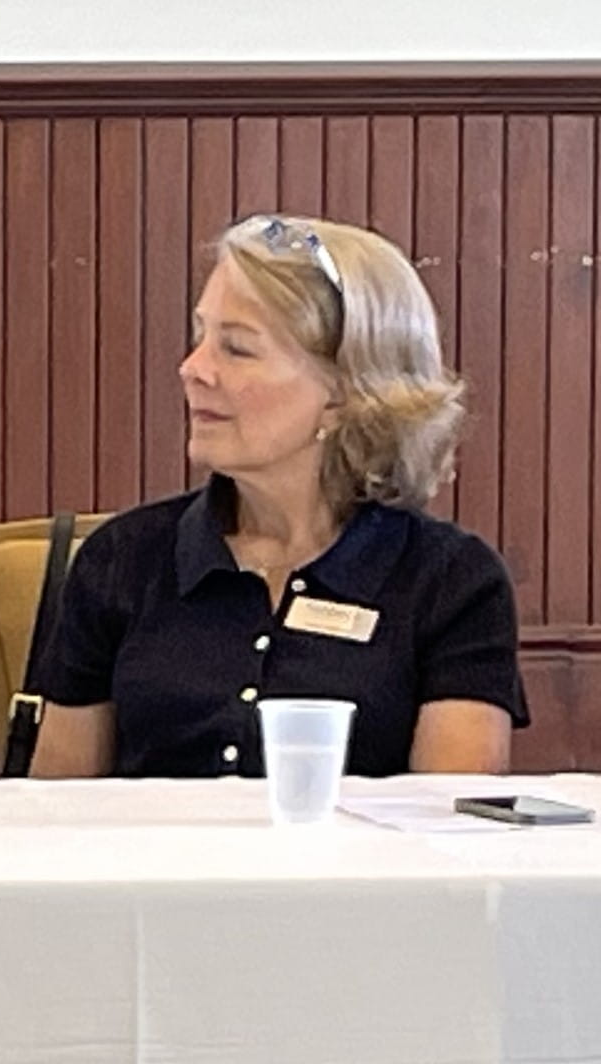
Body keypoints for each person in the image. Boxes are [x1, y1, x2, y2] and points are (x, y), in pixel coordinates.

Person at [31, 215, 523, 778]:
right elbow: (54, 815)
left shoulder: (452, 583)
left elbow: (448, 832)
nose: (193, 369)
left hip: (362, 869)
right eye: (201, 338)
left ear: (345, 392)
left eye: (237, 349)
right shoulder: (122, 559)